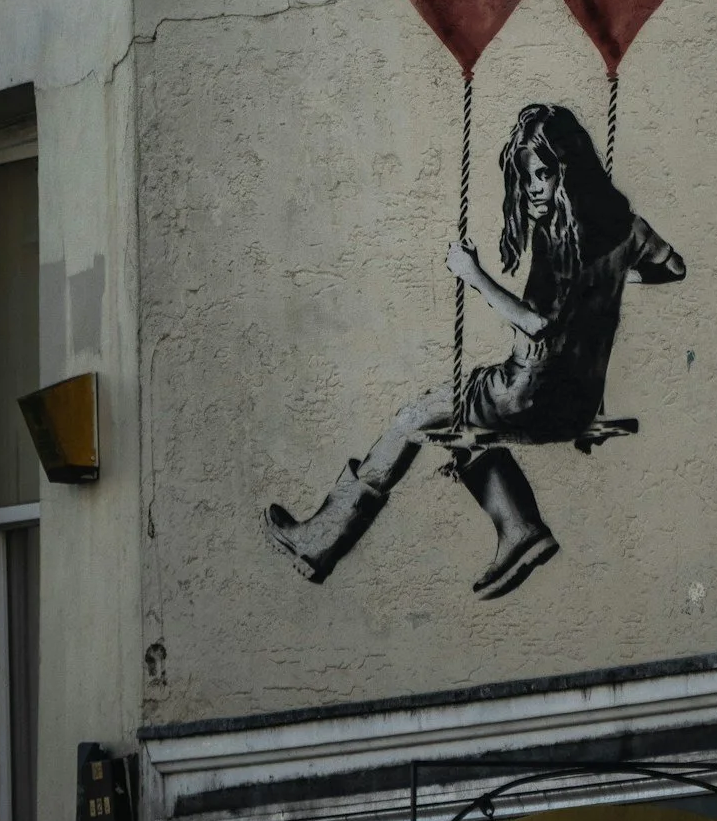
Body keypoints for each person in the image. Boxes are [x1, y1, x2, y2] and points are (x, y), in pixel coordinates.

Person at [265, 102, 685, 597]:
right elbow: (672, 267)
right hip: (579, 400)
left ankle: (321, 539)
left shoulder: (562, 236)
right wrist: (608, 285)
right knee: (462, 431)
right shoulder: (627, 228)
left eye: (543, 175)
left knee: (415, 416)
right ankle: (520, 532)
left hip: (528, 391)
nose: (532, 188)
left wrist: (474, 275)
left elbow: (537, 325)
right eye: (526, 177)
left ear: (567, 172)